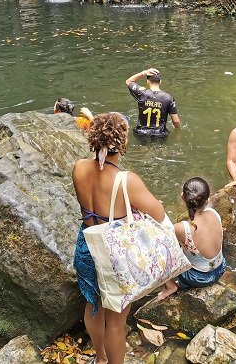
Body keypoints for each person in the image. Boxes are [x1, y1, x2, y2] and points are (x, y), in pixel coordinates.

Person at [72, 113, 166, 364]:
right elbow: (159, 213)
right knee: (116, 320)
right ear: (122, 143)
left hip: (86, 244)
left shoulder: (79, 167)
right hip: (114, 255)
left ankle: (100, 357)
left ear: (93, 139)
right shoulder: (127, 180)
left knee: (93, 304)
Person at [157, 177, 226, 300]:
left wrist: (157, 210)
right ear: (207, 200)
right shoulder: (214, 213)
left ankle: (169, 286)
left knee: (157, 249)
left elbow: (161, 236)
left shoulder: (181, 228)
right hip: (220, 269)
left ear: (183, 197)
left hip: (197, 278)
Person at [125, 68, 180, 137]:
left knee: (143, 147)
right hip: (160, 134)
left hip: (141, 132)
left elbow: (128, 81)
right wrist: (176, 129)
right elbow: (176, 121)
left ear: (147, 81)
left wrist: (144, 73)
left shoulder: (141, 93)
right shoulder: (168, 98)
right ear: (160, 82)